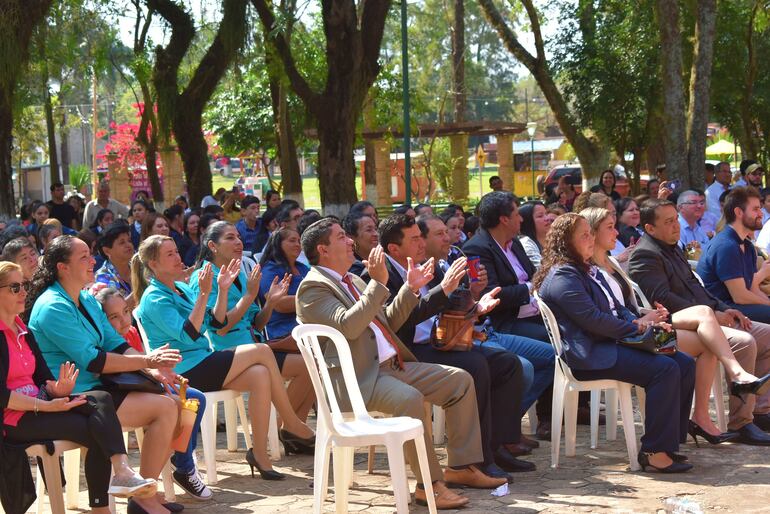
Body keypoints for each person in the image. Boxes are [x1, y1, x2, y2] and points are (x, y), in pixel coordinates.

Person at [296, 218, 503, 509]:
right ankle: (428, 486)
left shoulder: (352, 280)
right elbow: (349, 326)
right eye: (342, 236)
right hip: (357, 380)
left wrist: (409, 289)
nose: (350, 241)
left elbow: (388, 322)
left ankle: (461, 466)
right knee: (411, 399)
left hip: (391, 367)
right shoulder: (313, 288)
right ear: (324, 249)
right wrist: (378, 283)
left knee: (460, 380)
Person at [134, 235, 315, 480]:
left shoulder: (182, 288)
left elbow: (216, 321)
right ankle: (291, 423)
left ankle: (260, 453)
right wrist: (203, 294)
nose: (178, 257)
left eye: (177, 251)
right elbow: (189, 334)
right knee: (262, 351)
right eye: (170, 254)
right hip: (184, 370)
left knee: (259, 375)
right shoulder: (154, 298)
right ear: (153, 265)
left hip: (204, 360)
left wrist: (222, 289)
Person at [367, 214, 534, 478]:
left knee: (507, 364)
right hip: (409, 351)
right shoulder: (378, 276)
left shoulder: (424, 266)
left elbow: (443, 307)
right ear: (393, 249)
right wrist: (441, 290)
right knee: (476, 366)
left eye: (421, 237)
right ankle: (474, 461)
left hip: (442, 340)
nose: (421, 243)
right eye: (414, 239)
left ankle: (498, 445)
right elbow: (395, 324)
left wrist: (475, 302)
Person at [26, 235, 182, 514]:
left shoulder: (84, 298)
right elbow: (94, 360)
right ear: (63, 267)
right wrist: (148, 360)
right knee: (163, 408)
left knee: (172, 403)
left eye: (91, 254)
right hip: (72, 394)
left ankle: (142, 492)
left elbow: (117, 343)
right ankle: (142, 497)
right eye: (84, 257)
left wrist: (153, 369)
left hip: (100, 390)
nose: (93, 261)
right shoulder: (53, 306)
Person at [583, 206, 764, 444]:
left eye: (675, 220)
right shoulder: (607, 265)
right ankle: (737, 385)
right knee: (715, 326)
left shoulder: (612, 263)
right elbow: (654, 300)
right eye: (610, 227)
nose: (617, 233)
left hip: (651, 323)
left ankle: (707, 416)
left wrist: (720, 309)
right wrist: (642, 321)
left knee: (710, 335)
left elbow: (697, 288)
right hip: (640, 331)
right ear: (591, 233)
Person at [536, 213, 697, 472]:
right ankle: (654, 452)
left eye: (591, 233)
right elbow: (594, 321)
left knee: (684, 362)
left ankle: (669, 444)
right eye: (584, 235)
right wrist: (635, 327)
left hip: (612, 344)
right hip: (591, 355)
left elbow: (616, 308)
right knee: (664, 369)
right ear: (566, 242)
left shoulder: (586, 270)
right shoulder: (564, 277)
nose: (591, 239)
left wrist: (646, 323)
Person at [0, 262, 158, 513]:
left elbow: (42, 379)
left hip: (40, 406)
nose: (23, 292)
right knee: (96, 428)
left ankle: (122, 471)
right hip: (13, 418)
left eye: (25, 285)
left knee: (100, 398)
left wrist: (57, 389)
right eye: (15, 287)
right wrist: (46, 405)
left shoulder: (24, 331)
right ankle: (105, 501)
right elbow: (3, 397)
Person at [94, 287, 212, 501]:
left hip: (142, 385)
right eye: (113, 317)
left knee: (195, 398)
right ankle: (181, 466)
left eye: (126, 312)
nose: (123, 320)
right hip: (123, 394)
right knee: (177, 404)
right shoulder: (103, 339)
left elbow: (142, 364)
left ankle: (182, 461)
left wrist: (160, 372)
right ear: (101, 320)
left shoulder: (130, 333)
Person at [189, 222, 315, 423]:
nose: (238, 242)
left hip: (254, 345)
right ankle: (286, 425)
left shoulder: (238, 272)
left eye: (238, 237)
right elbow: (221, 329)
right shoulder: (204, 277)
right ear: (213, 246)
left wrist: (270, 303)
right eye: (230, 238)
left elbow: (257, 323)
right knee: (306, 367)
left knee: (312, 366)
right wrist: (249, 295)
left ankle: (292, 431)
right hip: (227, 352)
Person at [462, 192, 548, 341]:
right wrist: (531, 287)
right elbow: (491, 294)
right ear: (504, 220)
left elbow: (534, 275)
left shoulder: (514, 242)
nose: (521, 219)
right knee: (558, 340)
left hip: (537, 312)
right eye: (517, 215)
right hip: (505, 323)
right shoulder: (475, 249)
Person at [697, 187, 770, 324]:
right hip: (724, 310)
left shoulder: (747, 245)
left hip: (740, 305)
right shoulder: (726, 246)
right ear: (739, 212)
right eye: (755, 209)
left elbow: (753, 288)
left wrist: (767, 302)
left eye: (760, 208)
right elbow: (740, 296)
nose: (761, 213)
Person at [257, 228, 310, 339]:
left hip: (308, 322)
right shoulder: (269, 270)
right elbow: (280, 304)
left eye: (299, 241)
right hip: (284, 329)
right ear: (277, 244)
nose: (297, 244)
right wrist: (315, 300)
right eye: (292, 240)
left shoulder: (302, 267)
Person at [93, 224, 135, 304]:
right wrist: (140, 290)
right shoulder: (102, 277)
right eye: (122, 242)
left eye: (129, 240)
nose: (128, 245)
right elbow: (116, 310)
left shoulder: (139, 267)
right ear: (107, 251)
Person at [342, 211, 378, 276]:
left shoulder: (384, 262)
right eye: (369, 230)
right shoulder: (353, 270)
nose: (376, 234)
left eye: (375, 229)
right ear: (351, 237)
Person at [518, 201, 551, 269]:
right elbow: (542, 271)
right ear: (528, 221)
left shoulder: (553, 240)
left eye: (546, 214)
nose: (547, 218)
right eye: (540, 216)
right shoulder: (527, 243)